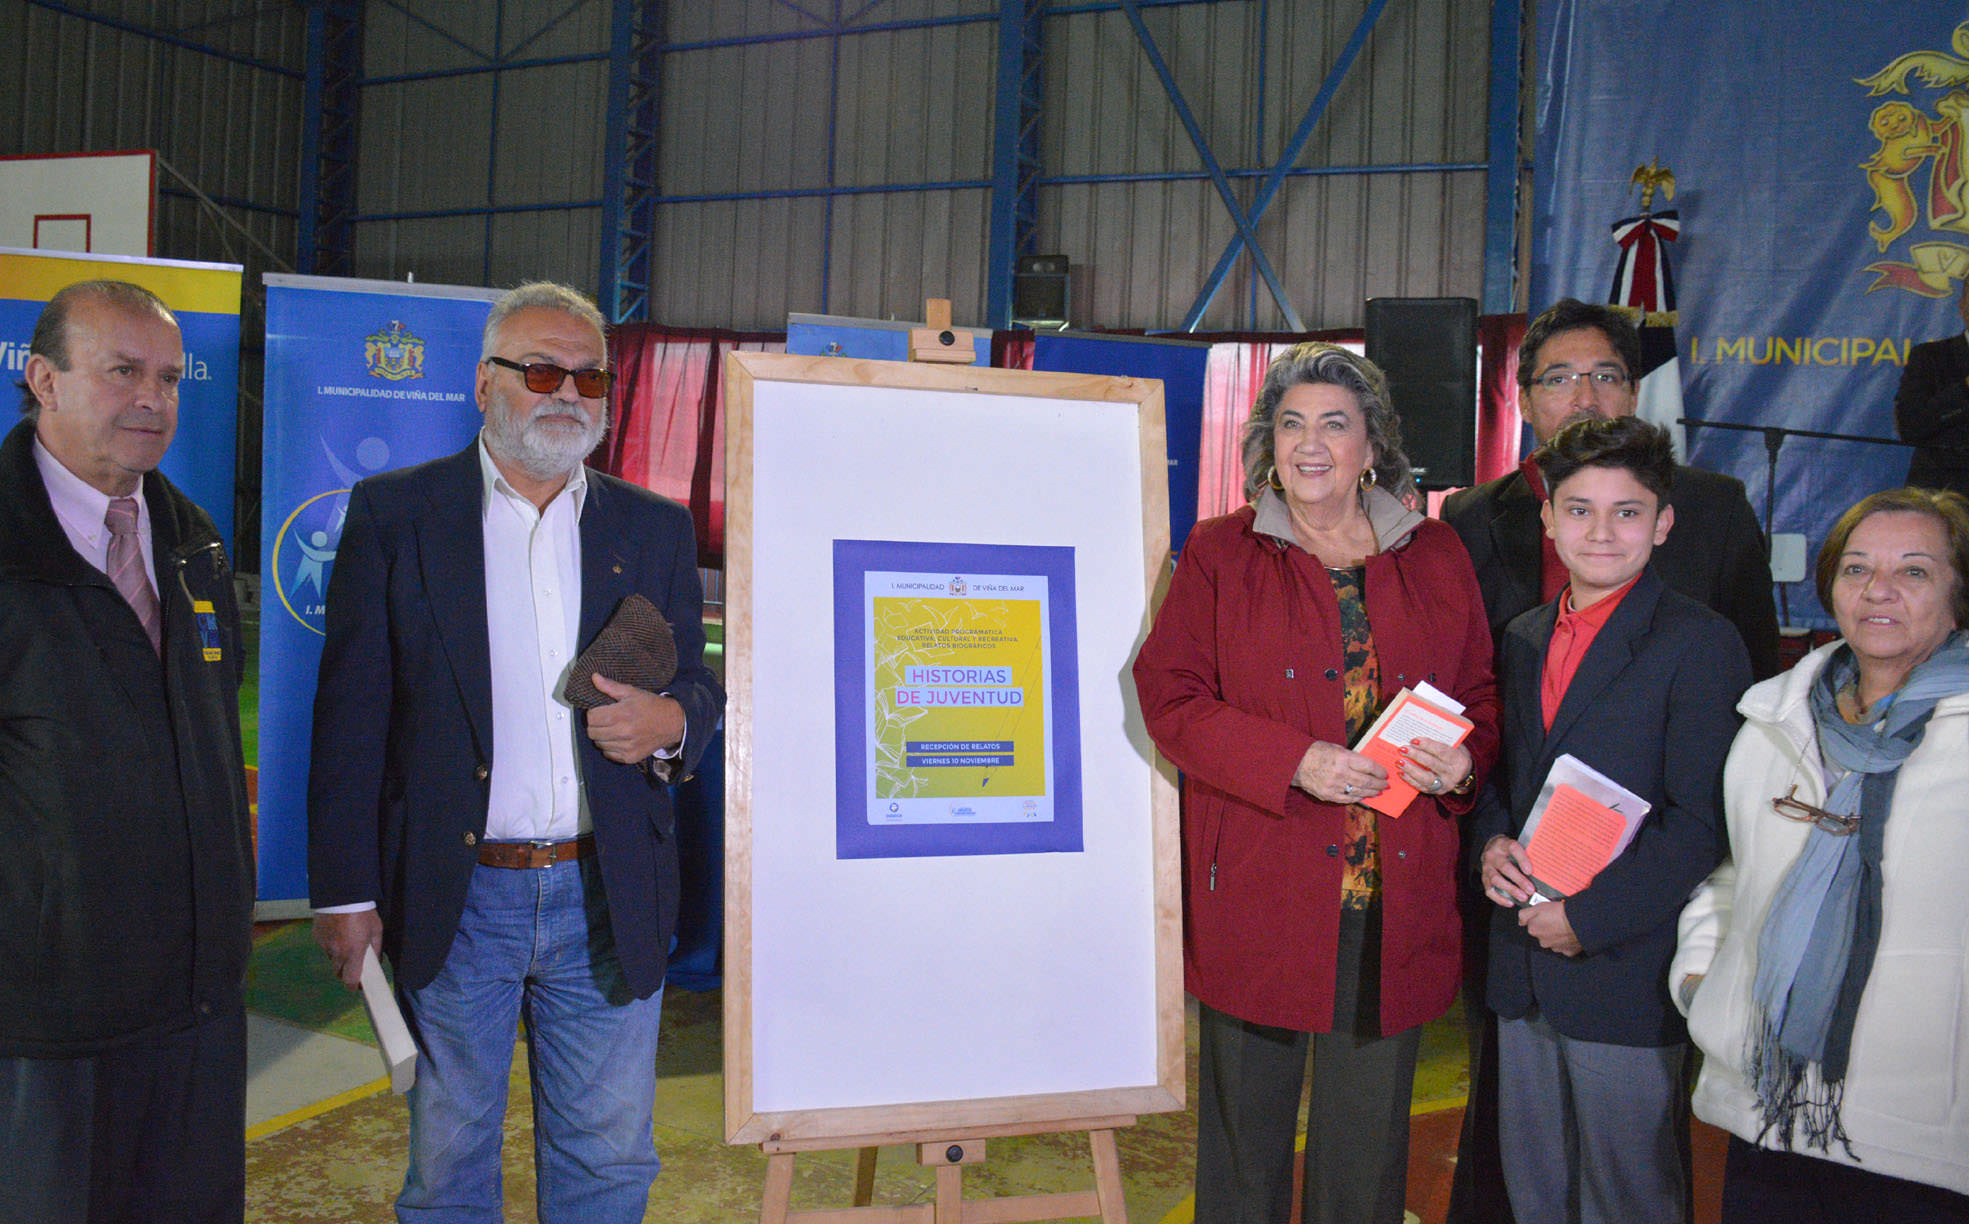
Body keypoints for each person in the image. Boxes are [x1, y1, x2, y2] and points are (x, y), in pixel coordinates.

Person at [308, 281, 724, 1221]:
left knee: (610, 1158)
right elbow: (351, 719)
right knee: (451, 1162)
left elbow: (696, 687)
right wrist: (343, 891)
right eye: (540, 369)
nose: (566, 392)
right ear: (483, 383)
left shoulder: (651, 526)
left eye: (589, 376)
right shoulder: (396, 515)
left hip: (607, 890)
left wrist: (673, 726)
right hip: (456, 893)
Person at [1133, 342, 1499, 1224]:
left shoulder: (1436, 552)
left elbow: (1481, 696)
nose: (1309, 443)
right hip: (1262, 883)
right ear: (1266, 442)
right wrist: (1292, 761)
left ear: (1372, 445)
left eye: (1333, 424)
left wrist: (1464, 761)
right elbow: (1168, 696)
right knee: (1243, 1143)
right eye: (1290, 423)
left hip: (1393, 895)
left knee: (1365, 1151)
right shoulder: (1221, 551)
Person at [1440, 298, 1781, 1224]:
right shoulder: (1519, 635)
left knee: (1628, 1188)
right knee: (1534, 1183)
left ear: (1662, 525)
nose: (1600, 532)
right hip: (1520, 956)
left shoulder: (1698, 643)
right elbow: (1504, 774)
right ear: (1546, 519)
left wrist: (1588, 919)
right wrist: (1492, 843)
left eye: (1626, 513)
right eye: (1580, 512)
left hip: (1620, 957)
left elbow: (1698, 817)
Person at [0, 280, 253, 1221]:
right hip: (44, 1025)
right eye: (121, 373)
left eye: (168, 377)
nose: (153, 399)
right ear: (44, 380)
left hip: (195, 1008)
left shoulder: (194, 543)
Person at [1672, 487, 1969, 1221]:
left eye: (1913, 572)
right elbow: (1730, 873)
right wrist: (1701, 979)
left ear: (1958, 592)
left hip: (1922, 1126)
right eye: (1856, 568)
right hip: (1768, 1108)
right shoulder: (1771, 719)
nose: (1877, 591)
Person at [1893, 282, 1969, 494]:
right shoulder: (1930, 357)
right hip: (1948, 496)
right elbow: (1910, 426)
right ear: (1962, 307)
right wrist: (1964, 388)